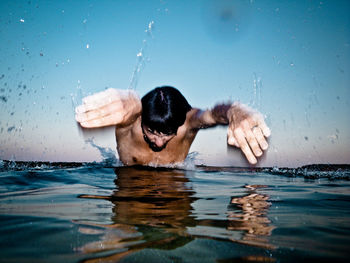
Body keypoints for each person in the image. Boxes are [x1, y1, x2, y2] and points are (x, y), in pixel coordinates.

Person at [75, 86, 271, 166]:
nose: (158, 142)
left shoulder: (187, 125)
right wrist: (130, 101)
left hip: (174, 193)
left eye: (168, 134)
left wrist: (234, 110)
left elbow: (211, 114)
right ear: (141, 121)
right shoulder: (130, 123)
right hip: (131, 192)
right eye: (150, 131)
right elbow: (132, 108)